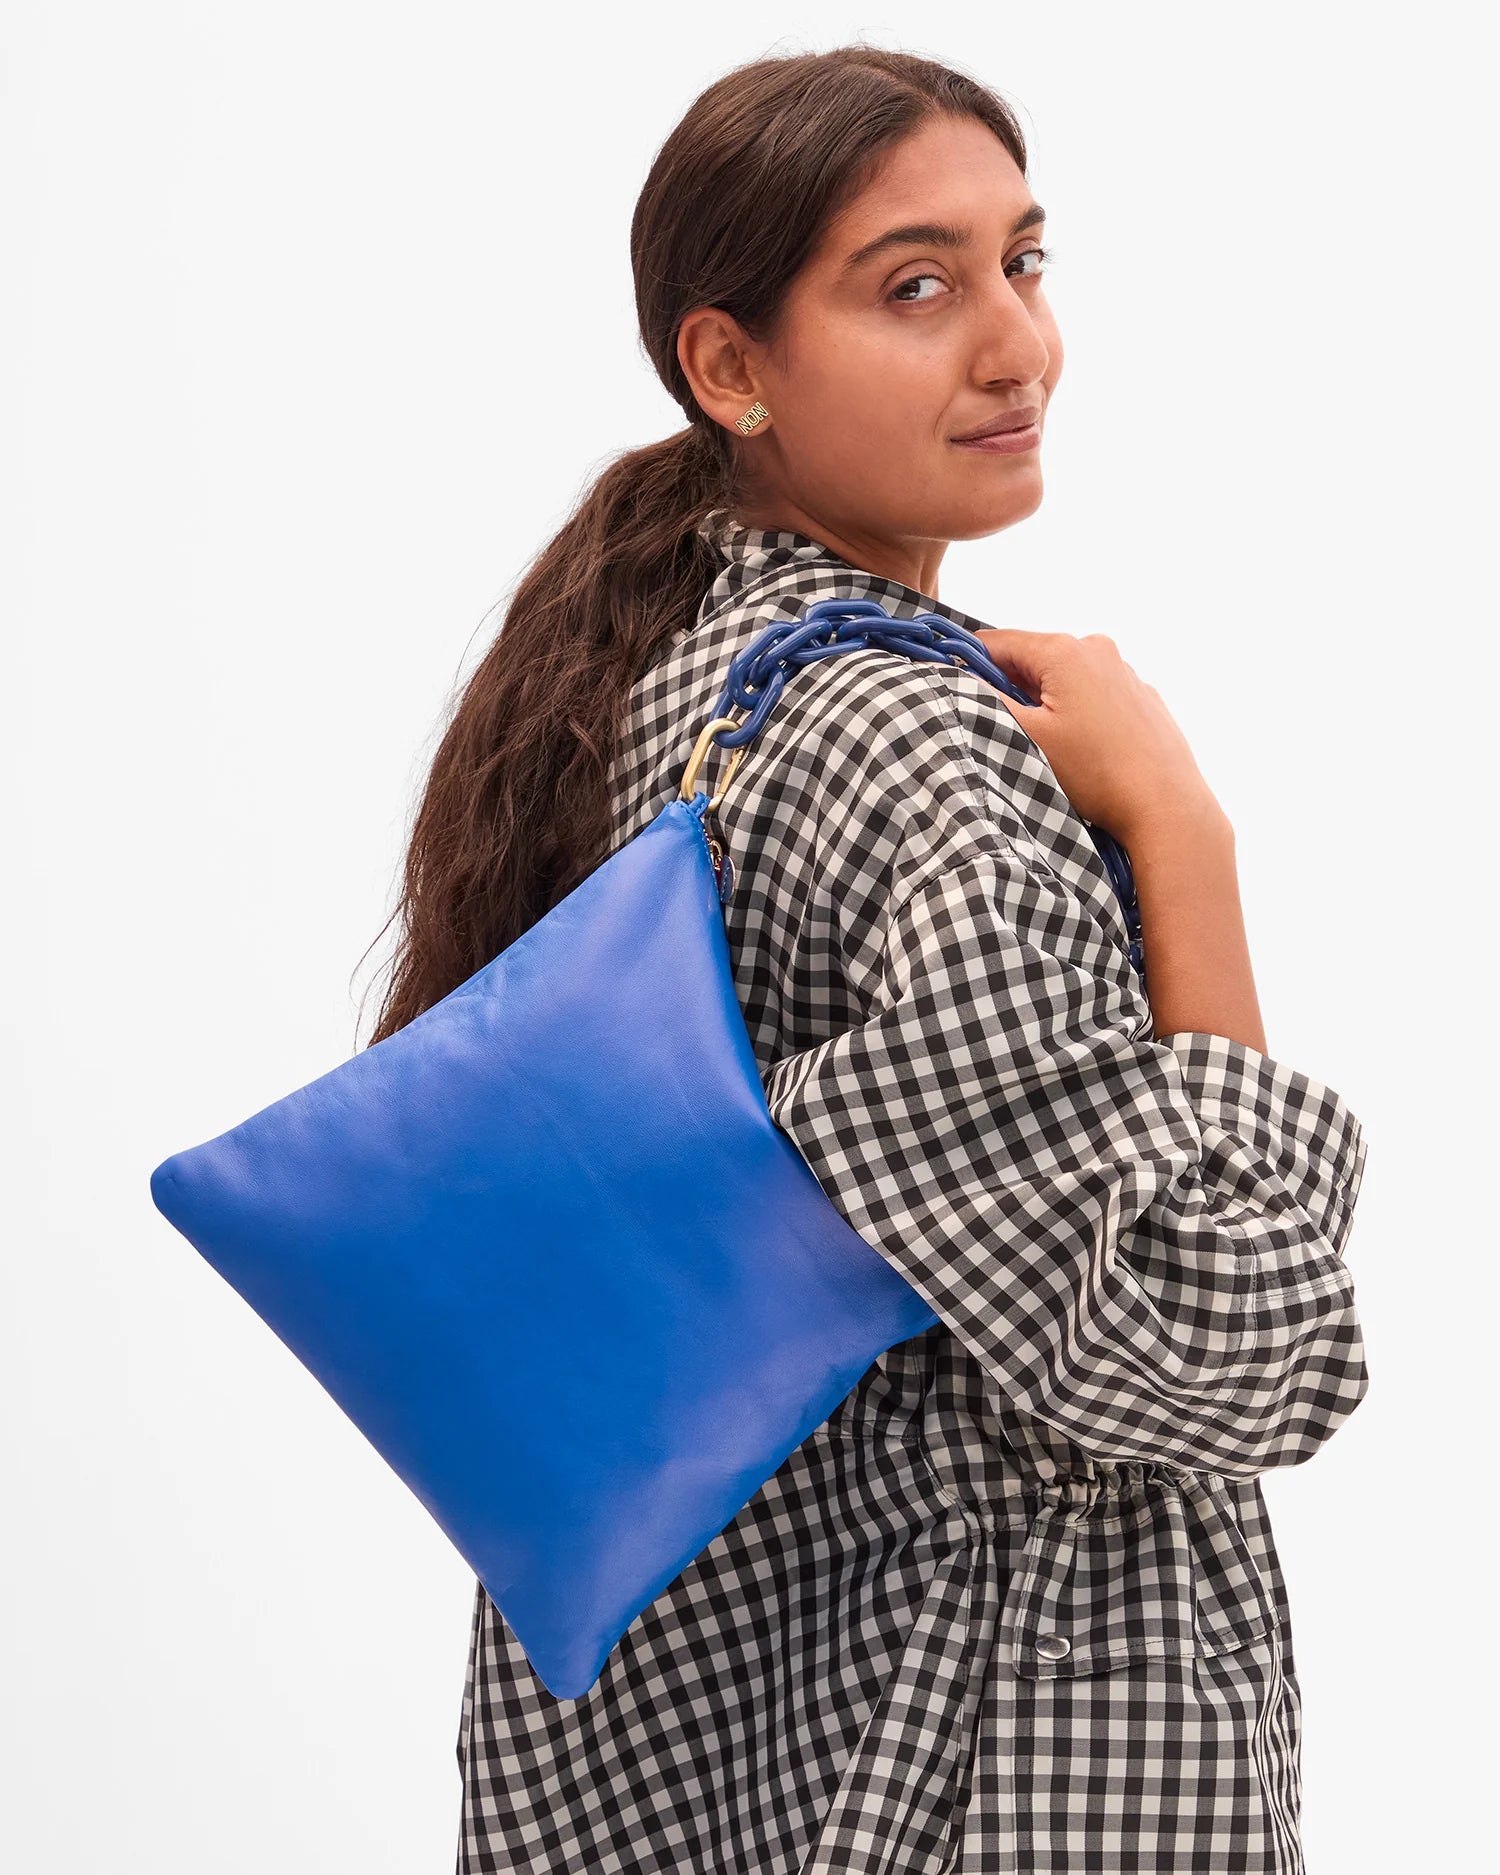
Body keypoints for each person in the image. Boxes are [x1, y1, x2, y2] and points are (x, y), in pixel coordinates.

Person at [365, 43, 1371, 1875]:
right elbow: (1241, 1347)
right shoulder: (915, 750)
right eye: (916, 287)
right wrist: (1186, 841)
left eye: (1025, 260)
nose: (1015, 345)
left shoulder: (653, 685)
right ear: (726, 366)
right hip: (1000, 1752)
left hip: (697, 1752)